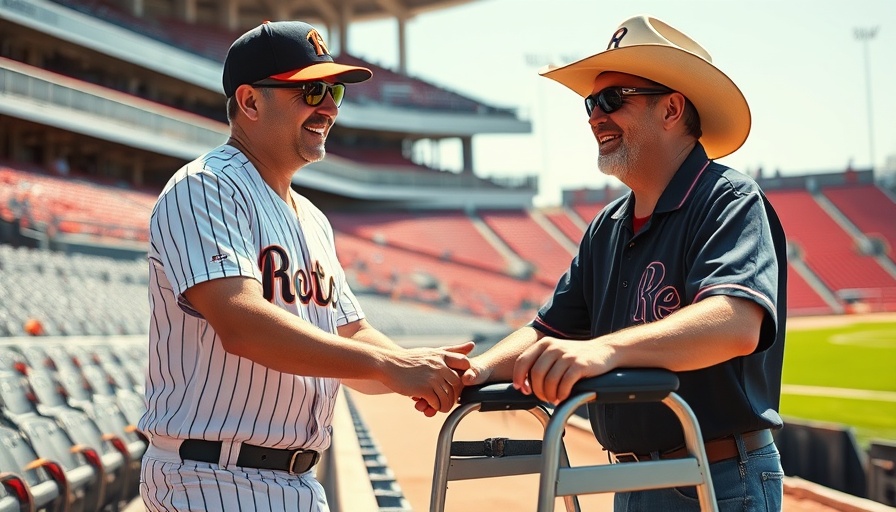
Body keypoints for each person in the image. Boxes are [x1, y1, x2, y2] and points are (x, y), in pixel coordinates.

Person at [452, 15, 788, 511]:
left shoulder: (730, 199)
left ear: (672, 108)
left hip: (719, 479)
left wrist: (605, 351)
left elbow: (735, 322)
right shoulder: (608, 225)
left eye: (612, 100)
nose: (594, 117)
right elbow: (551, 330)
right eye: (591, 103)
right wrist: (476, 370)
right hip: (631, 481)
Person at [139, 21, 472, 511]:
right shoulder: (204, 186)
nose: (331, 106)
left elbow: (352, 336)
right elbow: (242, 325)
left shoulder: (313, 218)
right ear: (250, 102)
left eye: (334, 89)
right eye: (311, 90)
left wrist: (434, 368)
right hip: (212, 476)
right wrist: (393, 364)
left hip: (293, 481)